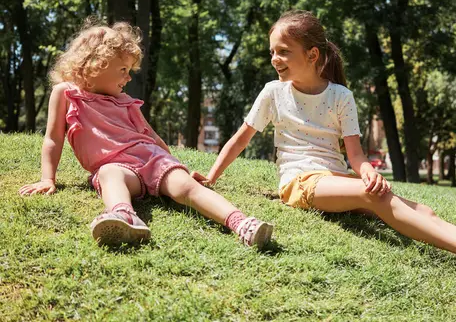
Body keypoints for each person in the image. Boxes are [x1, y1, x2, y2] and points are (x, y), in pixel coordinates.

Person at [196, 10, 456, 288]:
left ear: (312, 55)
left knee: (418, 208)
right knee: (373, 196)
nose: (275, 59)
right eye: (272, 52)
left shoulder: (341, 96)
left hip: (337, 177)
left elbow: (356, 155)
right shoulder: (272, 93)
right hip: (300, 182)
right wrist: (210, 178)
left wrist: (367, 171)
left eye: (283, 51)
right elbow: (241, 138)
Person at [18, 20, 273, 249]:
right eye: (123, 70)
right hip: (116, 166)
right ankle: (123, 216)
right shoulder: (65, 93)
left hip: (151, 159)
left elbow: (152, 137)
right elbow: (53, 138)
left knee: (186, 188)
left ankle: (241, 223)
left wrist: (177, 167)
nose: (128, 78)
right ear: (97, 64)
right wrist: (47, 178)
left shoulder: (125, 101)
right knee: (109, 174)